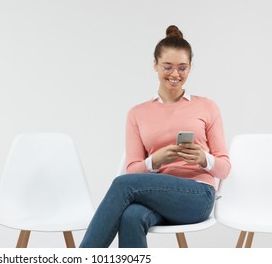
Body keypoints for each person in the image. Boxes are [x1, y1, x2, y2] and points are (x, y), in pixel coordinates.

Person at [80, 25, 231, 248]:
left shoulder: (207, 107)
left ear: (190, 68)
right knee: (131, 216)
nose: (175, 74)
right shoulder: (137, 113)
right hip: (155, 196)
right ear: (155, 65)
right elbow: (133, 169)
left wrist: (203, 158)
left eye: (182, 67)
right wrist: (156, 161)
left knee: (122, 185)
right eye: (167, 66)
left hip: (197, 196)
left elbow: (225, 169)